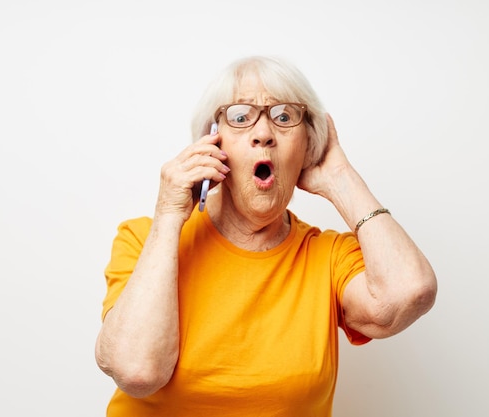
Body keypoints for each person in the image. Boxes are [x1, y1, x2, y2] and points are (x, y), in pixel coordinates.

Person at [95, 55, 437, 416]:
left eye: (285, 117)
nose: (263, 133)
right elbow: (136, 372)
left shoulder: (328, 257)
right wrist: (168, 216)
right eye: (240, 117)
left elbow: (409, 293)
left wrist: (340, 179)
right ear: (212, 142)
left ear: (307, 146)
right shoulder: (145, 238)